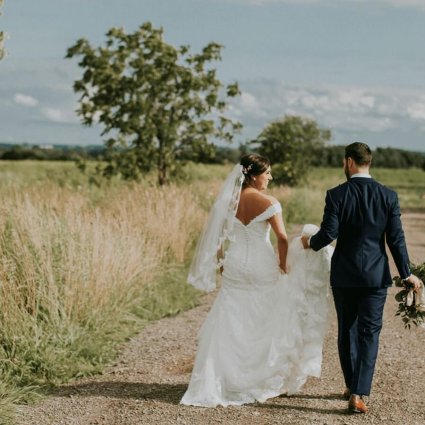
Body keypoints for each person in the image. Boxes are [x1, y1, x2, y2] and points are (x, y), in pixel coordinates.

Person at [181, 153, 333, 407]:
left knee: (231, 316)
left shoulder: (229, 201)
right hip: (261, 264)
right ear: (253, 175)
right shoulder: (269, 202)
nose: (270, 178)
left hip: (235, 264)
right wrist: (283, 264)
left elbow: (218, 236)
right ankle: (255, 378)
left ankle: (223, 378)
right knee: (262, 318)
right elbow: (282, 238)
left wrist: (221, 263)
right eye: (268, 173)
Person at [301, 142, 422, 414]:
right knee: (369, 333)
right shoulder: (388, 196)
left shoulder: (336, 194)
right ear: (369, 162)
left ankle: (350, 384)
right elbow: (396, 239)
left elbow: (328, 234)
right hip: (375, 277)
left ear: (349, 162)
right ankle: (358, 392)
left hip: (344, 275)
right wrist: (407, 273)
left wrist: (309, 242)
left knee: (347, 331)